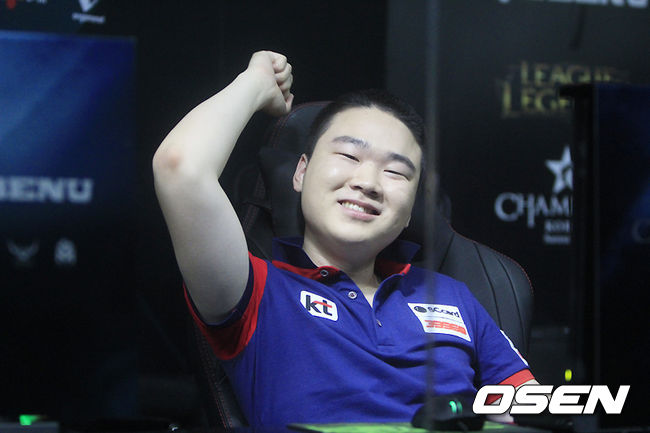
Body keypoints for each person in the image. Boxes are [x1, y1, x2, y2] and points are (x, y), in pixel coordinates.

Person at [153, 51, 536, 427]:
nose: (368, 183)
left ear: (410, 210)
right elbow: (181, 169)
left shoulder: (453, 296)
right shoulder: (256, 292)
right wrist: (255, 84)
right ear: (301, 173)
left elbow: (530, 409)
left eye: (396, 172)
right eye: (349, 156)